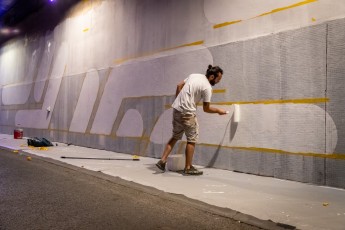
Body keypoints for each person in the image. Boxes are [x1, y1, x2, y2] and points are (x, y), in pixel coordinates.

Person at [156, 65, 227, 175]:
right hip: (188, 113)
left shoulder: (194, 75)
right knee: (191, 139)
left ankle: (162, 160)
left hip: (177, 110)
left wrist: (179, 100)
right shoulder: (207, 87)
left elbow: (179, 85)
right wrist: (218, 110)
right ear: (212, 77)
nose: (218, 81)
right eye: (218, 79)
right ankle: (188, 167)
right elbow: (206, 108)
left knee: (175, 136)